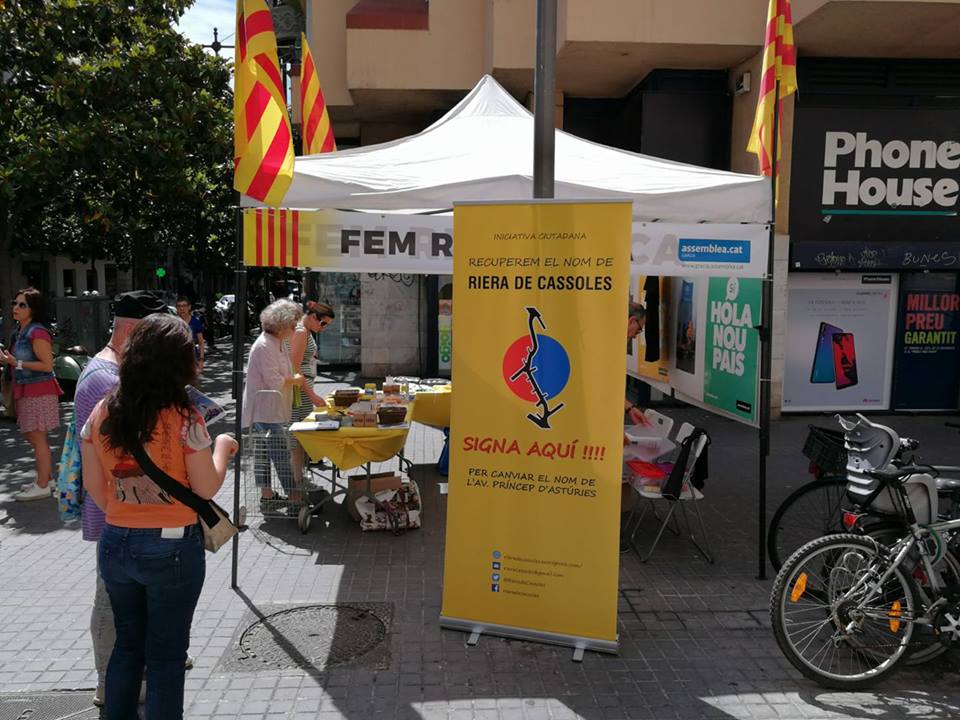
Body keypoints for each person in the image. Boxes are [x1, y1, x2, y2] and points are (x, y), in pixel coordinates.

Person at [80, 313, 237, 720]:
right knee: (166, 657)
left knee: (127, 647)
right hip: (171, 547)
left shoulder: (101, 412)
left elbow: (97, 490)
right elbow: (205, 488)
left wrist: (127, 510)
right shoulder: (185, 418)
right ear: (180, 363)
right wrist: (222, 447)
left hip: (116, 542)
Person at [73, 290, 170, 707]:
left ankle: (135, 669)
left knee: (125, 598)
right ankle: (108, 682)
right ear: (133, 330)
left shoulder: (116, 370)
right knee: (113, 600)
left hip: (123, 506)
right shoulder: (107, 379)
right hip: (115, 508)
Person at [241, 299, 306, 509]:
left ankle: (267, 496)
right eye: (293, 324)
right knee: (279, 454)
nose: (295, 328)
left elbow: (282, 372)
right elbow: (275, 380)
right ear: (282, 325)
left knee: (264, 454)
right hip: (266, 410)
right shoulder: (265, 345)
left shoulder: (275, 342)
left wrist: (293, 377)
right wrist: (296, 380)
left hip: (270, 408)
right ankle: (293, 497)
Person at [0, 287, 63, 501]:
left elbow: (47, 365)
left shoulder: (37, 332)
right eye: (14, 303)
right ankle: (48, 479)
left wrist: (14, 362)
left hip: (39, 391)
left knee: (37, 436)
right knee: (31, 434)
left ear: (33, 309)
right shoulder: (21, 330)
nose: (15, 308)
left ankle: (43, 485)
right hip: (26, 389)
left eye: (22, 305)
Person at [288, 302, 334, 484]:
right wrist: (312, 396)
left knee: (301, 435)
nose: (323, 328)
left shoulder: (304, 331)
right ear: (313, 317)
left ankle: (299, 476)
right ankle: (297, 479)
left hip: (303, 388)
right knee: (298, 435)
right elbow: (295, 368)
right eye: (323, 324)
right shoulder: (301, 332)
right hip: (300, 390)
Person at [175, 296, 205, 372]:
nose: (182, 308)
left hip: (192, 358)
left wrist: (201, 360)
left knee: (191, 383)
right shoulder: (173, 322)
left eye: (184, 306)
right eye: (179, 306)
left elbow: (201, 342)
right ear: (176, 308)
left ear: (189, 307)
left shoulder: (196, 322)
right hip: (176, 359)